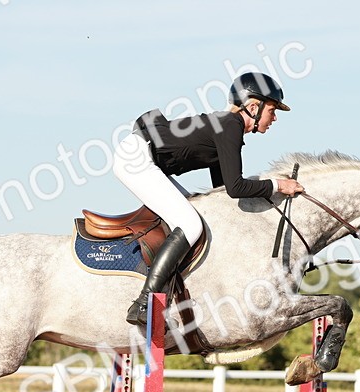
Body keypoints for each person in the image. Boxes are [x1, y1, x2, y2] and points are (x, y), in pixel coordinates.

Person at [114, 72, 304, 325]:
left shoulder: (227, 127)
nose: (275, 117)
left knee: (197, 215)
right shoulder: (230, 126)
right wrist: (279, 185)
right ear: (253, 106)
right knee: (190, 224)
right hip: (136, 158)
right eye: (272, 109)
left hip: (145, 158)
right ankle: (144, 303)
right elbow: (236, 188)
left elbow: (223, 191)